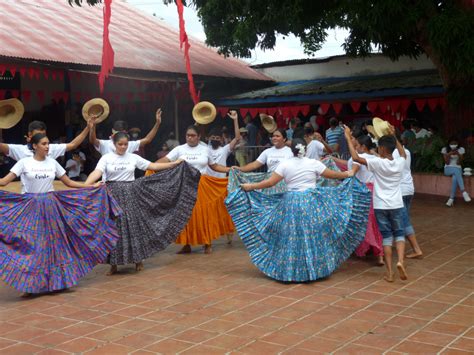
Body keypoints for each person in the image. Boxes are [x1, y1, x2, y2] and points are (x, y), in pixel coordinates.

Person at [225, 138, 370, 282]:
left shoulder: (285, 164)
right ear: (305, 149)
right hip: (310, 202)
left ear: (292, 150)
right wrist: (348, 174)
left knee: (291, 236)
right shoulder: (313, 163)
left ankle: (290, 271)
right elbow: (334, 175)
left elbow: (270, 183)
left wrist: (251, 186)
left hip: (291, 202)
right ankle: (314, 270)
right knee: (312, 233)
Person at [0, 133, 119, 296]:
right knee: (35, 246)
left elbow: (69, 182)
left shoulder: (53, 163)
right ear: (34, 146)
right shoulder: (23, 163)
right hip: (31, 208)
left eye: (48, 143)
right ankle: (31, 286)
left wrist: (90, 186)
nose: (47, 146)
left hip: (52, 206)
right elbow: (4, 181)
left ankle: (61, 282)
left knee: (56, 245)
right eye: (43, 144)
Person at [85, 131, 198, 275]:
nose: (123, 147)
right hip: (112, 195)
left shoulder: (133, 157)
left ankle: (138, 260)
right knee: (114, 228)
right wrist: (85, 185)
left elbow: (153, 166)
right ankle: (113, 264)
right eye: (120, 144)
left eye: (126, 144)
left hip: (131, 193)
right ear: (114, 144)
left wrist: (175, 163)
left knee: (133, 226)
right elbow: (97, 172)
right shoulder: (106, 158)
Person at [154, 125, 233, 254]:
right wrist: (152, 165)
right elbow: (165, 160)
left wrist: (229, 169)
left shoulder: (205, 150)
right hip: (184, 185)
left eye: (193, 135)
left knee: (203, 213)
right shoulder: (179, 149)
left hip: (201, 185)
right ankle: (187, 244)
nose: (190, 138)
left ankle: (207, 242)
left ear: (199, 137)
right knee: (185, 214)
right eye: (188, 135)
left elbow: (214, 166)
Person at [345, 125, 408, 283]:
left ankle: (390, 272)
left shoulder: (378, 163)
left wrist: (348, 138)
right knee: (399, 234)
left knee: (386, 237)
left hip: (380, 205)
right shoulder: (400, 162)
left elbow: (357, 158)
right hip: (397, 204)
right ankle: (400, 261)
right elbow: (401, 153)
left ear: (381, 148)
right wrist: (394, 137)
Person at [346, 134, 384, 265]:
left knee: (362, 221)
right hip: (376, 191)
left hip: (362, 192)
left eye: (357, 146)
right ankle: (379, 253)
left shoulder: (358, 159)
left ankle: (365, 248)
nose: (355, 148)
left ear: (363, 146)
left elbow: (352, 172)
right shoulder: (377, 158)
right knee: (374, 221)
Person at [393, 134, 424, 259]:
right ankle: (399, 243)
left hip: (400, 190)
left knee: (404, 220)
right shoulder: (407, 151)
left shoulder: (394, 153)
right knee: (402, 218)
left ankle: (416, 249)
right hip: (409, 189)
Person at [0, 119, 91, 162]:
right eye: (38, 135)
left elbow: (73, 144)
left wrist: (88, 127)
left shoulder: (51, 149)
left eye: (43, 135)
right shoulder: (21, 151)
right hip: (29, 197)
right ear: (30, 134)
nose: (41, 138)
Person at [89, 108, 162, 155]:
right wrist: (93, 127)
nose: (123, 147)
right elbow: (93, 140)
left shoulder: (129, 145)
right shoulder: (105, 144)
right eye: (120, 144)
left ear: (125, 133)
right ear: (112, 131)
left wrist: (157, 123)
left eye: (124, 145)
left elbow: (147, 140)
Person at [206, 110, 241, 178]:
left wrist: (235, 120)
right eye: (213, 137)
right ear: (208, 138)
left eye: (217, 138)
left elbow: (237, 138)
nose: (215, 139)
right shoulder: (205, 149)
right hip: (208, 181)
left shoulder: (225, 150)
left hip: (221, 180)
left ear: (221, 139)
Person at [441, 137, 471, 206]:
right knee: (456, 171)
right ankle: (464, 192)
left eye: (455, 143)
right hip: (448, 169)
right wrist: (449, 154)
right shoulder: (445, 149)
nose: (453, 145)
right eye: (452, 143)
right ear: (449, 144)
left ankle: (451, 199)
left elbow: (459, 163)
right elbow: (447, 163)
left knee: (455, 177)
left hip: (458, 168)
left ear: (458, 144)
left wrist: (458, 155)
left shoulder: (461, 149)